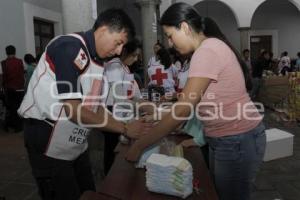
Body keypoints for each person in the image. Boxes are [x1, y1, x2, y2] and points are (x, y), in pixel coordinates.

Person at [126, 3, 266, 200]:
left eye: (170, 35)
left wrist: (140, 145)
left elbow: (183, 110)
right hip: (227, 138)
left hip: (237, 138)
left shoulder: (206, 51)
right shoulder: (208, 48)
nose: (170, 43)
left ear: (184, 27)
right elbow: (190, 102)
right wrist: (159, 113)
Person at [18, 8, 148, 200]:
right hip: (47, 134)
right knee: (62, 193)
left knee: (87, 191)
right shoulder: (70, 47)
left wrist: (122, 123)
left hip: (74, 139)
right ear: (103, 30)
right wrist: (125, 128)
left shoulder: (98, 61)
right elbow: (74, 110)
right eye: (119, 42)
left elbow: (95, 107)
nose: (119, 51)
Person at [103, 39, 150, 174]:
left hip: (122, 109)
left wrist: (142, 103)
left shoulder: (125, 67)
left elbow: (132, 93)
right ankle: (110, 177)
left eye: (137, 56)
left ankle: (119, 173)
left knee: (120, 146)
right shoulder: (114, 66)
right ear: (124, 52)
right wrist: (138, 106)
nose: (135, 59)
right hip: (112, 111)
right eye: (134, 55)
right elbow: (118, 97)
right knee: (112, 147)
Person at [1, 45, 25, 132]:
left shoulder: (4, 63)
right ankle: (19, 126)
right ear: (15, 52)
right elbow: (22, 73)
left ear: (6, 52)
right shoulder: (20, 61)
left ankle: (11, 125)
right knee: (18, 107)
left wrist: (3, 87)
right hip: (20, 88)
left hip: (10, 88)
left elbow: (4, 76)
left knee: (10, 108)